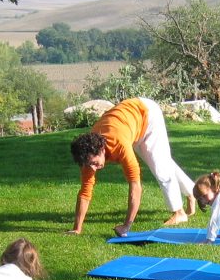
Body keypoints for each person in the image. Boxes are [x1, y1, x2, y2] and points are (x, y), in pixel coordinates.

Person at [68, 98, 197, 237]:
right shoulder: (87, 156)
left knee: (160, 166)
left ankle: (179, 213)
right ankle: (192, 192)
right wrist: (77, 228)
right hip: (132, 121)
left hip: (147, 113)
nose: (93, 168)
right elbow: (85, 193)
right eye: (89, 165)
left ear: (101, 149)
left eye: (94, 163)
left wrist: (126, 226)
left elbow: (135, 186)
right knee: (162, 160)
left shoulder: (120, 144)